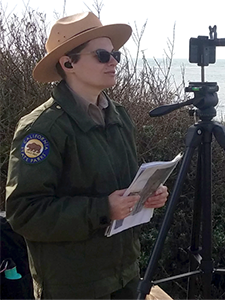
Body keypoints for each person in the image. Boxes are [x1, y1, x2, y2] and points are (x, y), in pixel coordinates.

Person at [5, 12, 169, 300]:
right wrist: (103, 209)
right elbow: (24, 213)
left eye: (115, 54)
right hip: (74, 286)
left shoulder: (118, 116)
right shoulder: (42, 129)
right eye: (102, 55)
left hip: (124, 274)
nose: (114, 62)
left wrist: (147, 194)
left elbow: (123, 187)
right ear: (68, 63)